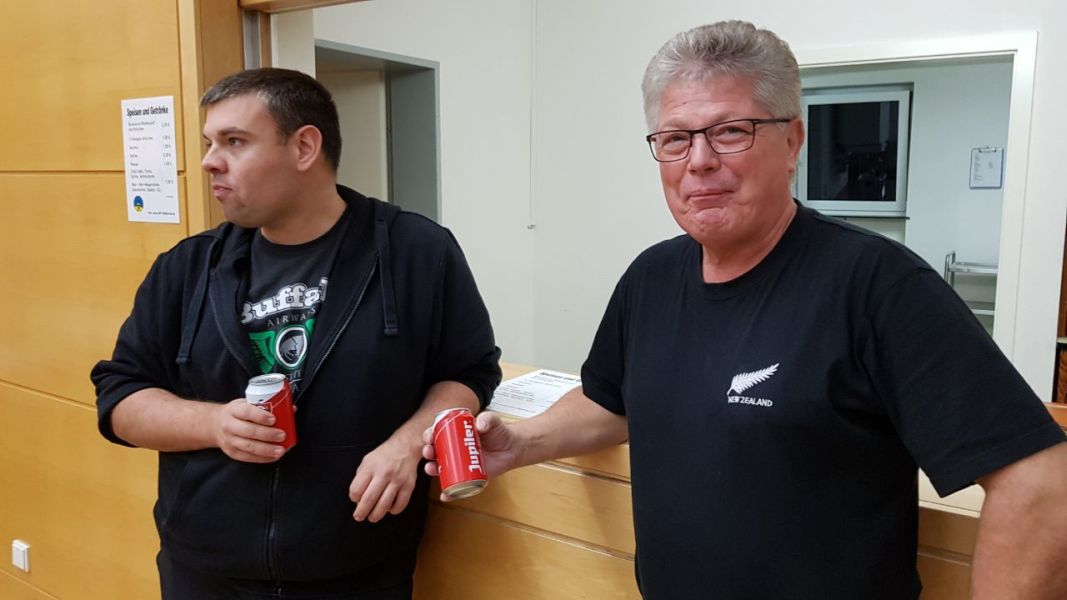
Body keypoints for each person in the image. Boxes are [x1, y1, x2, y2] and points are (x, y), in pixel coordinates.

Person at [423, 21, 1067, 599]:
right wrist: (520, 443)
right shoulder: (651, 278)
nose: (699, 161)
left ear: (793, 142)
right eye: (675, 138)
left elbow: (1041, 483)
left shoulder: (878, 285)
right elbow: (611, 401)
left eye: (730, 131)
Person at [92, 68, 501, 599]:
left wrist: (407, 444)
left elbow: (468, 372)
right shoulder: (187, 268)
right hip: (205, 570)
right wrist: (214, 424)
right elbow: (120, 398)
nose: (210, 161)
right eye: (209, 143)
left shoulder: (416, 251)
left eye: (234, 141)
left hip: (359, 569)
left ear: (305, 146)